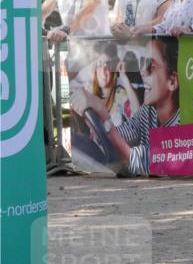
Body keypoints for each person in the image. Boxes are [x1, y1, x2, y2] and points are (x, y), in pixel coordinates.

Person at [72, 37, 180, 176]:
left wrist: (103, 114)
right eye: (142, 64)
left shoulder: (181, 123)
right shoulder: (148, 111)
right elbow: (123, 134)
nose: (142, 71)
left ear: (172, 81)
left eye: (151, 66)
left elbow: (144, 162)